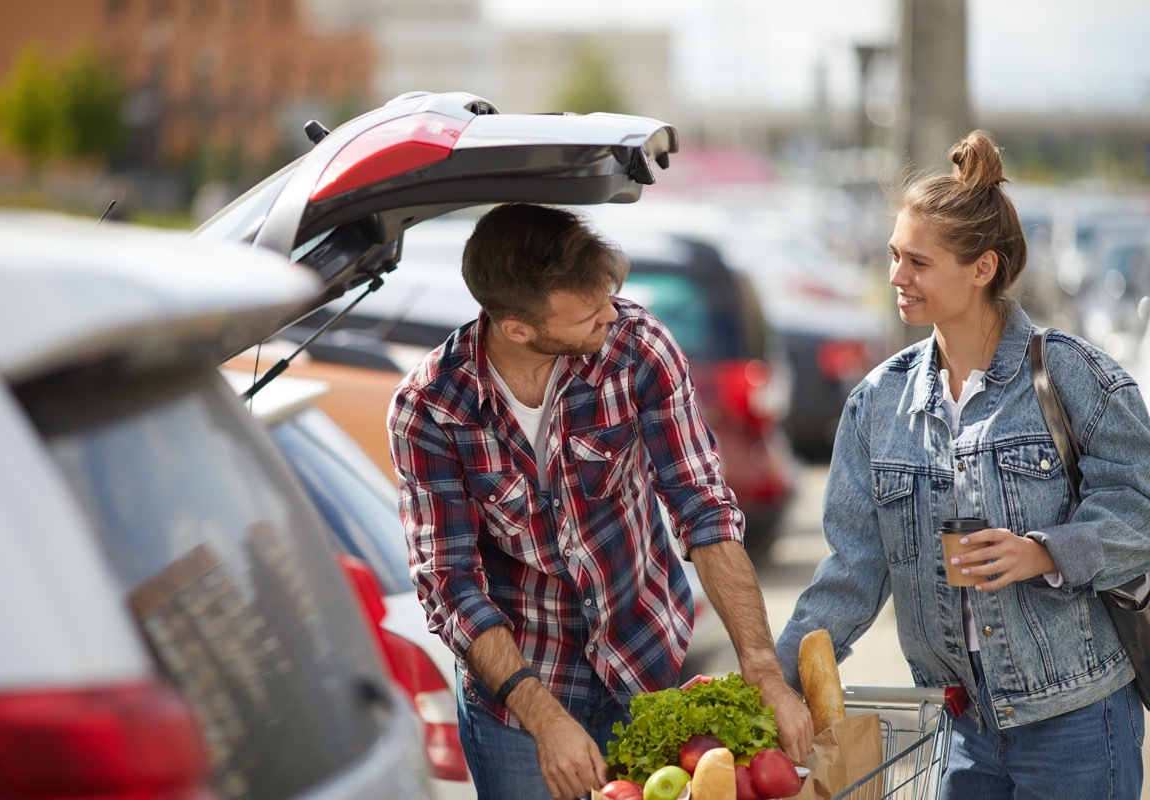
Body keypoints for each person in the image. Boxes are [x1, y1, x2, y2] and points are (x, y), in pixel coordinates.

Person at [388, 202, 812, 800]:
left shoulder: (638, 348)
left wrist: (762, 665)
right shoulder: (430, 406)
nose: (611, 316)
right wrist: (543, 718)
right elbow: (450, 581)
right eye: (589, 314)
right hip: (519, 694)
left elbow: (704, 510)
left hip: (642, 660)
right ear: (518, 329)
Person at [775, 131, 1150, 799]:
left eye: (917, 261)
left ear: (982, 267)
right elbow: (853, 572)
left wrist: (1044, 551)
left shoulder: (1070, 374)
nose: (895, 276)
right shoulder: (878, 404)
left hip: (1077, 722)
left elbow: (1140, 507)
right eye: (894, 255)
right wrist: (771, 681)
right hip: (959, 730)